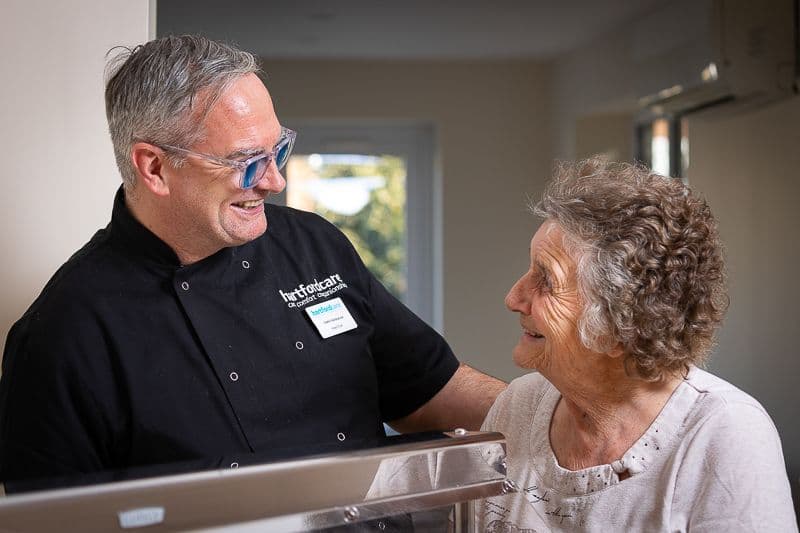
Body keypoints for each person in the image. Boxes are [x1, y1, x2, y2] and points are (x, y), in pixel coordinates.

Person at [0, 35, 505, 486]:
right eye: (246, 162)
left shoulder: (314, 246)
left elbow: (432, 388)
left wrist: (560, 413)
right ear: (153, 167)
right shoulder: (62, 333)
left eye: (278, 150)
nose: (274, 181)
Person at [478, 158, 797, 531]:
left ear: (621, 325)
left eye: (546, 280)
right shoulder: (519, 407)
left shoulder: (724, 434)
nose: (513, 297)